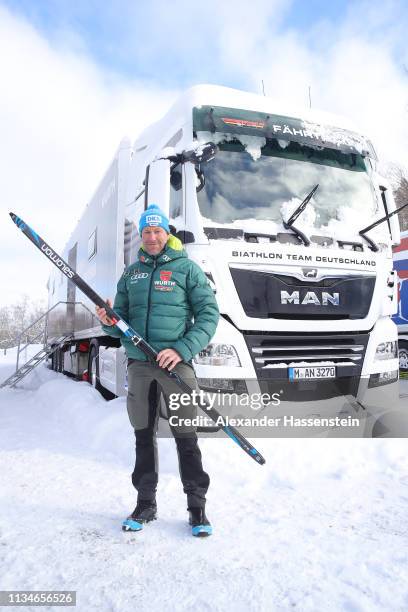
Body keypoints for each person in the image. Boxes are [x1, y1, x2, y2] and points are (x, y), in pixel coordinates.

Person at [95, 204, 219, 537]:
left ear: (167, 234)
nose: (152, 237)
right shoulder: (131, 273)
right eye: (147, 232)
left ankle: (197, 510)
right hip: (139, 367)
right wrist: (107, 320)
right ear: (142, 236)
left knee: (186, 439)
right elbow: (117, 324)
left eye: (157, 231)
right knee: (143, 437)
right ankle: (145, 504)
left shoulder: (187, 270)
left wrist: (181, 349)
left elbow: (209, 315)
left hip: (176, 366)